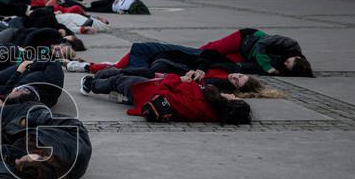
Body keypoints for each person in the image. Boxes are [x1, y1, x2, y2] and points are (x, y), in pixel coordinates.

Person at [79, 70, 253, 124]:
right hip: (156, 85)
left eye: (233, 97)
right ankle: (101, 79)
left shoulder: (197, 106)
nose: (231, 94)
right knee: (120, 76)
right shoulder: (211, 103)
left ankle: (90, 84)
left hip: (147, 92)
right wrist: (198, 78)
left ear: (227, 104)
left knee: (119, 80)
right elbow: (198, 90)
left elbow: (162, 95)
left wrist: (178, 78)